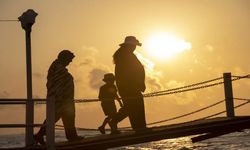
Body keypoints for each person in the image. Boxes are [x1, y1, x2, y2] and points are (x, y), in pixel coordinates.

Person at [34, 50, 83, 145]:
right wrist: (60, 97)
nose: (70, 62)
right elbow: (58, 84)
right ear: (64, 58)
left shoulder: (57, 67)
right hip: (61, 98)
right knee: (58, 117)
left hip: (62, 98)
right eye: (69, 59)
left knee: (61, 117)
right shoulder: (58, 68)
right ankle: (71, 136)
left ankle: (71, 136)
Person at [110, 36, 147, 134]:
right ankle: (139, 127)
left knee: (131, 107)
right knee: (134, 106)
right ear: (129, 46)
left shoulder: (124, 55)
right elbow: (131, 72)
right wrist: (138, 83)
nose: (134, 47)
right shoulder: (126, 56)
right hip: (130, 87)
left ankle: (138, 126)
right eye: (133, 45)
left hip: (128, 86)